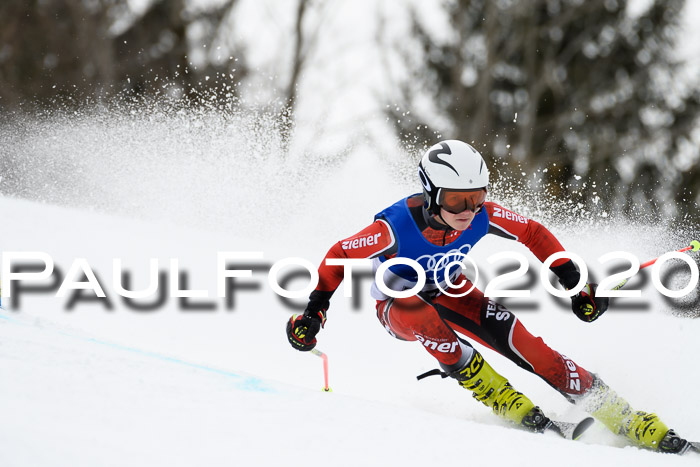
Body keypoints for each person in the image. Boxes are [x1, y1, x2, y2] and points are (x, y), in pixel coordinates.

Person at [286, 140, 689, 454]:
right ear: (430, 194)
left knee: (533, 349)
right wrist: (314, 312)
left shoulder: (483, 216)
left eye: (477, 196)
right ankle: (492, 389)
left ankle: (624, 416)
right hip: (398, 307)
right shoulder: (393, 227)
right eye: (456, 200)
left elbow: (532, 232)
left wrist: (571, 281)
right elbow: (339, 255)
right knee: (417, 309)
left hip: (453, 291)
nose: (468, 210)